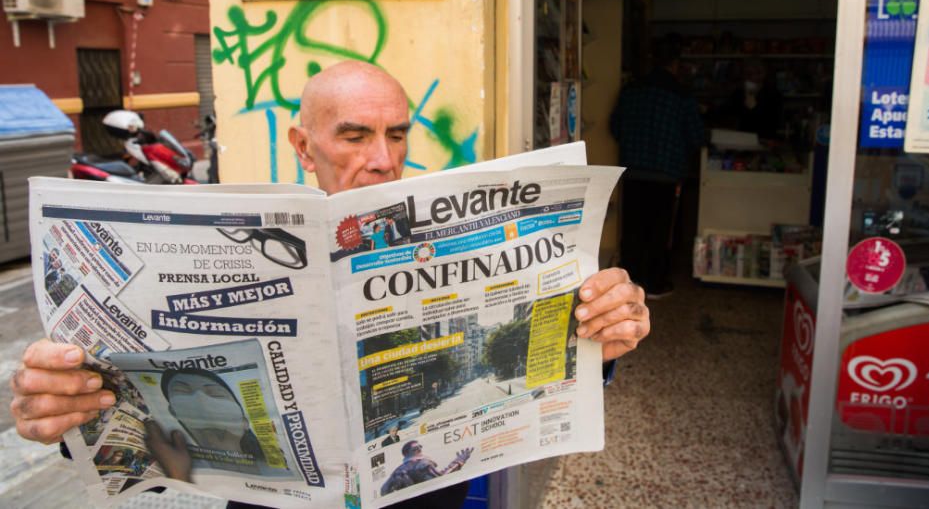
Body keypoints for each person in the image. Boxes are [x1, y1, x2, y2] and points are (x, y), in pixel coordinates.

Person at [9, 60, 651, 508]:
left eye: (396, 134)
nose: (383, 158)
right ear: (302, 144)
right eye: (355, 135)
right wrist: (69, 412)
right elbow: (160, 448)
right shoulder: (230, 242)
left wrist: (597, 338)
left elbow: (522, 376)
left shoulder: (444, 238)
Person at [611, 42, 704, 297]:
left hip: (632, 171)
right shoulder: (682, 96)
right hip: (666, 174)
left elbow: (615, 127)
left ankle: (628, 284)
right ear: (674, 64)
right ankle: (653, 284)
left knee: (632, 228)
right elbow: (696, 137)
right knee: (660, 230)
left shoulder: (631, 91)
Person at [380, 440, 472, 496]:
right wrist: (459, 461)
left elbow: (384, 491)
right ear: (408, 453)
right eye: (416, 448)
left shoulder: (398, 470)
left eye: (420, 446)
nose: (420, 449)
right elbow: (441, 479)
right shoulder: (422, 463)